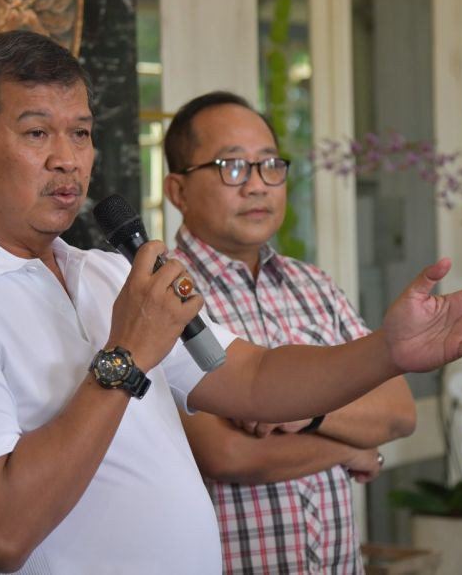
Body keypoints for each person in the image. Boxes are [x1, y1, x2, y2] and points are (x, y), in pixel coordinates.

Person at [0, 30, 462, 575]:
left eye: (83, 132)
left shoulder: (99, 273)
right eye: (37, 134)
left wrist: (385, 351)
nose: (69, 160)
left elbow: (249, 378)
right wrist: (126, 356)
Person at [164, 91, 415, 574]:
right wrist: (352, 444)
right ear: (178, 190)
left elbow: (398, 412)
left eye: (269, 166)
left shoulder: (314, 286)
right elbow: (227, 453)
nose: (257, 186)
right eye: (231, 167)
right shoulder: (162, 294)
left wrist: (311, 414)